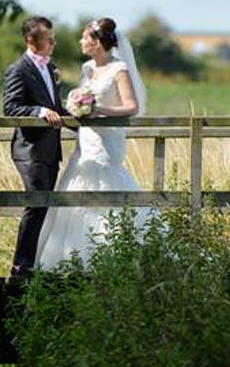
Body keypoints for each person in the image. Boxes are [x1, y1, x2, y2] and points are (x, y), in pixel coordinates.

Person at [35, 17, 150, 270]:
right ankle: (72, 263)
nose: (81, 41)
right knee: (77, 188)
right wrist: (75, 105)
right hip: (85, 140)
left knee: (106, 185)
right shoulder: (87, 69)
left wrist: (98, 109)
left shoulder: (118, 69)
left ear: (98, 42)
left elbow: (132, 106)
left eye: (86, 37)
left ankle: (112, 259)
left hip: (107, 140)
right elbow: (79, 98)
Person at [2, 15, 67, 277]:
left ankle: (35, 263)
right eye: (48, 39)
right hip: (29, 150)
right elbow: (11, 108)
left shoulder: (50, 70)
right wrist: (39, 110)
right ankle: (21, 266)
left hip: (51, 150)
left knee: (45, 205)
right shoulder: (18, 70)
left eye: (53, 38)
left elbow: (57, 109)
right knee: (36, 203)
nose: (53, 43)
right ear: (31, 40)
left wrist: (86, 121)